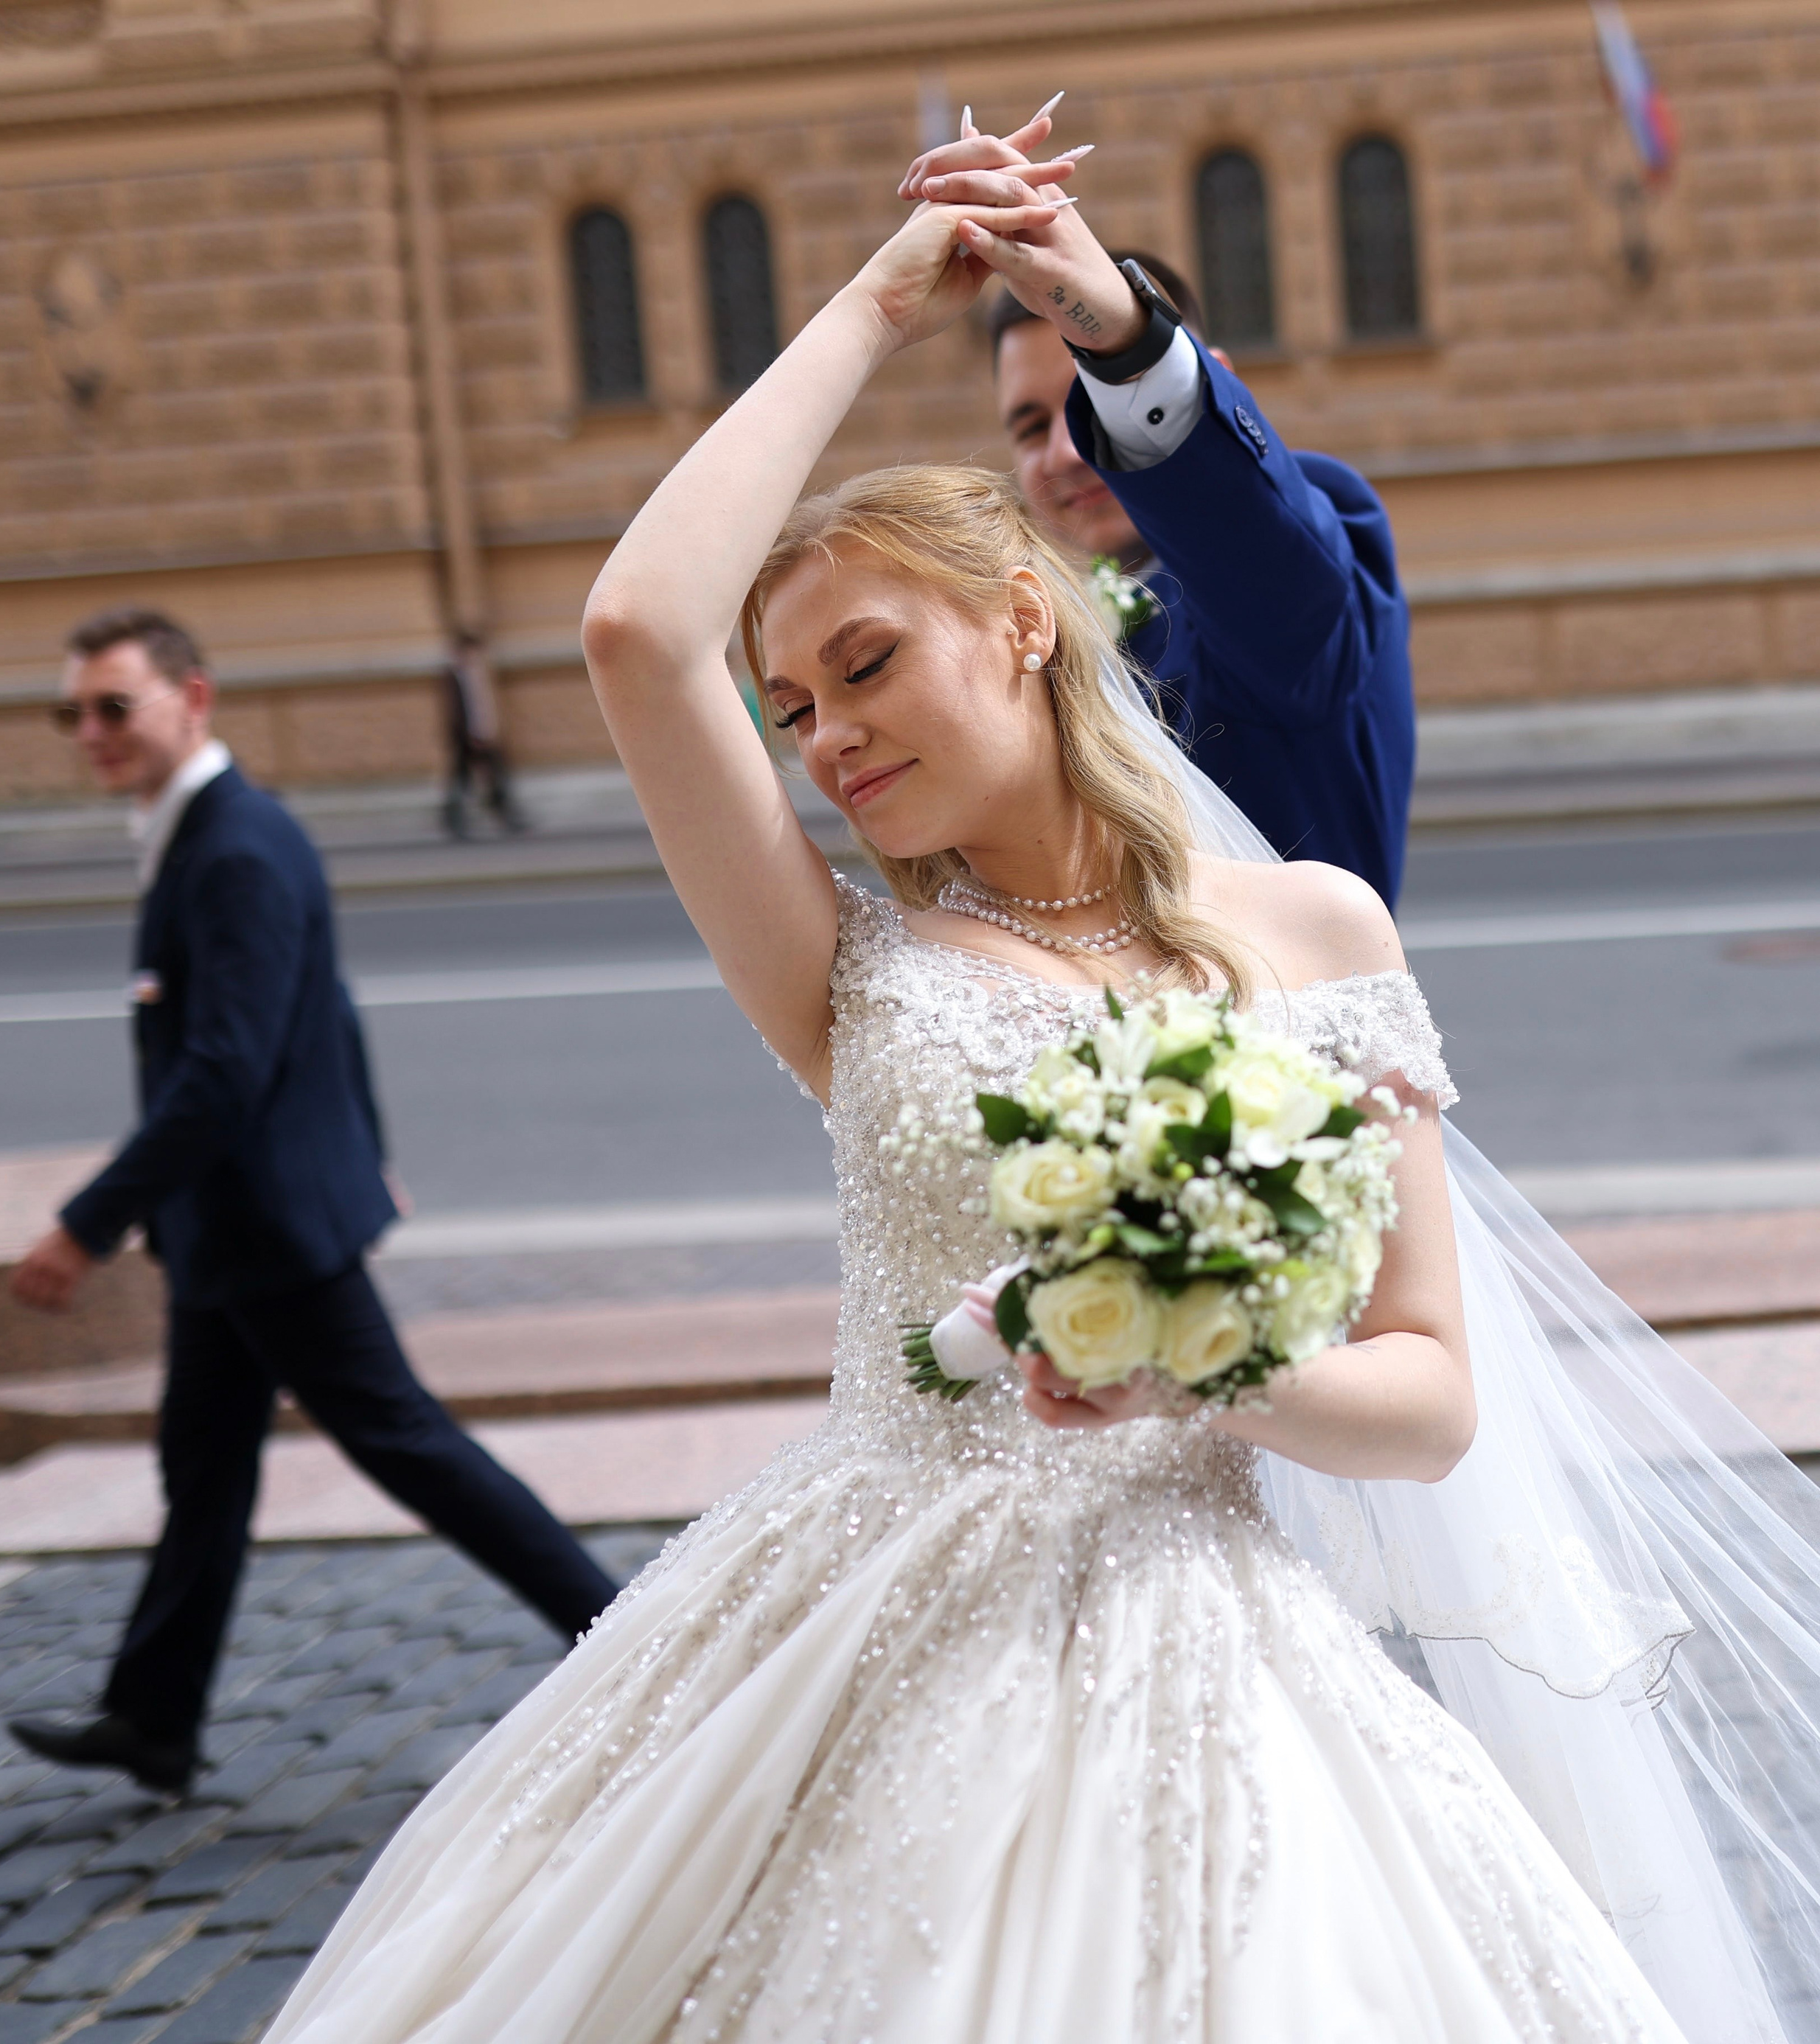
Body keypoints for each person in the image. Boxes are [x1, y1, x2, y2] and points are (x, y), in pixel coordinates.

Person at [263, 164, 1820, 2044]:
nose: (827, 737)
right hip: (851, 1621)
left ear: (1019, 621)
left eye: (864, 662)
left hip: (1211, 1623)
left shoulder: (1312, 932)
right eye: (790, 710)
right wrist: (873, 305)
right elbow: (629, 631)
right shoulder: (844, 960)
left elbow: (1426, 1400)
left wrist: (1197, 1367)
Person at [7, 608, 616, 1796]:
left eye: (113, 707)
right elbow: (322, 1021)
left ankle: (635, 1633)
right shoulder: (208, 833)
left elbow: (222, 1074)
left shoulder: (232, 848)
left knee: (409, 1446)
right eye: (71, 712)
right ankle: (153, 1712)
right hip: (232, 1231)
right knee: (207, 1462)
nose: (91, 732)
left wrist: (86, 1222)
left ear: (195, 696)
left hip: (267, 1229)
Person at [900, 105, 1414, 906]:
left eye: (1088, 406)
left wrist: (1120, 340)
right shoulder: (1019, 624)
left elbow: (1267, 569)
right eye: (1032, 427)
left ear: (1210, 372)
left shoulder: (1303, 540)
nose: (1067, 453)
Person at [440, 628, 526, 838]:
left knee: (493, 779)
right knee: (463, 782)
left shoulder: (476, 674)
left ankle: (505, 815)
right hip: (468, 739)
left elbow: (483, 708)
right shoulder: (455, 676)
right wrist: (473, 735)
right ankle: (454, 820)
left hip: (481, 736)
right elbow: (462, 712)